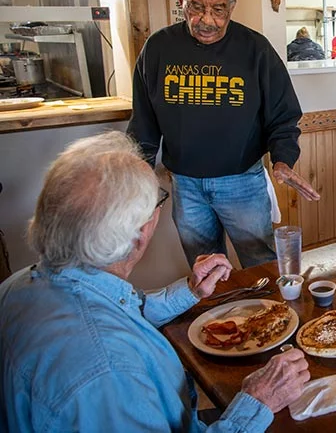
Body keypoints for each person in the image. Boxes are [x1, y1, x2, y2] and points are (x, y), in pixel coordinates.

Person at [0, 132, 310, 432]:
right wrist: (258, 401)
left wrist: (191, 291)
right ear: (137, 235)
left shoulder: (20, 285)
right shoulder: (109, 373)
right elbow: (107, 343)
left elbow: (117, 315)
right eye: (158, 200)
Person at [127, 0, 320, 269]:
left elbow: (284, 116)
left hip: (242, 182)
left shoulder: (255, 49)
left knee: (261, 266)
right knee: (206, 271)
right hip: (186, 185)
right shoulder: (158, 48)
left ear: (232, 5)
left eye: (218, 10)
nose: (207, 20)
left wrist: (283, 159)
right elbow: (143, 125)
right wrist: (137, 182)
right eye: (196, 7)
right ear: (182, 0)